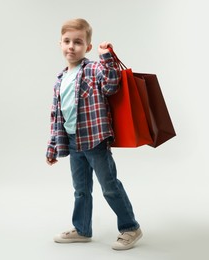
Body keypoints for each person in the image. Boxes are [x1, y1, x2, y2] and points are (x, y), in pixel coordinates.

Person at [45, 18, 142, 251]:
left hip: (95, 140)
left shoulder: (93, 69)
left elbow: (111, 84)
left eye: (78, 42)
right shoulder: (60, 80)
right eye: (67, 41)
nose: (71, 46)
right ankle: (82, 229)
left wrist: (105, 56)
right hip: (73, 142)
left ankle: (130, 227)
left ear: (87, 47)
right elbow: (57, 117)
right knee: (80, 189)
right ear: (60, 44)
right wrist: (52, 147)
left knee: (109, 185)